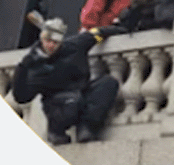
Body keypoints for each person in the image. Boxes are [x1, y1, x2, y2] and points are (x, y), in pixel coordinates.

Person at [11, 17, 124, 146]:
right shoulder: (34, 66)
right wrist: (22, 70)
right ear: (42, 39)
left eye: (55, 42)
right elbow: (21, 97)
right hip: (58, 105)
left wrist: (120, 30)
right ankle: (56, 132)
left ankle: (86, 127)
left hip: (81, 93)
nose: (51, 46)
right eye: (48, 41)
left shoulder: (75, 45)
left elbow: (96, 34)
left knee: (108, 83)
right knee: (71, 101)